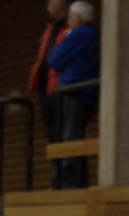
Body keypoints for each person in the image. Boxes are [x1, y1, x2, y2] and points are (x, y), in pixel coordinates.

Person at [48, 1, 100, 189]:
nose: (68, 21)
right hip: (87, 94)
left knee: (71, 138)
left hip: (75, 93)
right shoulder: (95, 36)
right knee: (74, 136)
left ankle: (73, 181)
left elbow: (54, 59)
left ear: (78, 18)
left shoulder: (78, 35)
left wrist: (66, 38)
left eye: (70, 17)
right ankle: (74, 180)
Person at [28, 0, 70, 189]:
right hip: (45, 87)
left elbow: (58, 58)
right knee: (51, 135)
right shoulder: (49, 29)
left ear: (61, 4)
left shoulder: (70, 28)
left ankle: (66, 178)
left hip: (60, 87)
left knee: (65, 134)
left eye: (51, 2)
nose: (47, 6)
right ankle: (56, 175)